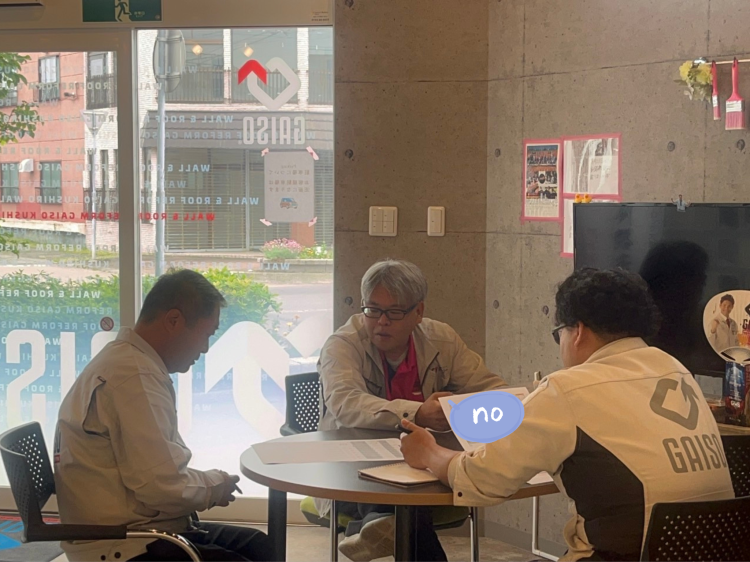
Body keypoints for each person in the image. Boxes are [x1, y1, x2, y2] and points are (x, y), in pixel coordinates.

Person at [401, 268, 734, 562]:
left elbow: (481, 479)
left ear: (578, 331)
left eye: (558, 333)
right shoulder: (676, 370)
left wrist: (429, 453)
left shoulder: (567, 388)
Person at [54, 269, 273, 562]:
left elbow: (159, 477)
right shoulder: (134, 376)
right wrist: (214, 487)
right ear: (173, 321)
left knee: (259, 545)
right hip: (126, 542)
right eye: (206, 334)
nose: (205, 348)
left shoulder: (127, 361)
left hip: (137, 527)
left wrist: (211, 484)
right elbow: (162, 488)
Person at [318, 259, 506, 561]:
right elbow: (345, 403)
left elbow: (493, 392)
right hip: (353, 465)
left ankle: (372, 526)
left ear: (418, 312)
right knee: (407, 509)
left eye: (394, 312)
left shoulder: (442, 339)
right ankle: (376, 521)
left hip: (423, 463)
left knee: (409, 503)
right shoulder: (343, 344)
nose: (381, 321)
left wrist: (456, 410)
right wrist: (417, 413)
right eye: (372, 309)